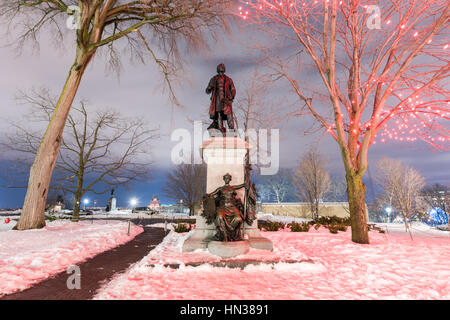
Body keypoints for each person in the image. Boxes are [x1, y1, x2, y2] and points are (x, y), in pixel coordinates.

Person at [207, 173, 245, 241]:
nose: (227, 179)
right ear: (224, 179)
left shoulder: (233, 187)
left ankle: (230, 230)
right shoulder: (220, 189)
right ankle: (225, 234)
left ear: (230, 179)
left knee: (239, 219)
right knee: (220, 216)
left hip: (232, 207)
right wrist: (207, 197)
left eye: (228, 178)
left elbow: (242, 185)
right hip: (223, 207)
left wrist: (247, 182)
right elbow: (211, 194)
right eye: (225, 178)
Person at [206, 63, 236, 133]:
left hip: (226, 100)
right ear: (217, 71)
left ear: (224, 71)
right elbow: (207, 91)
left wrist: (231, 97)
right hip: (217, 99)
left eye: (222, 71)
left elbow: (233, 89)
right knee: (219, 114)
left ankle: (232, 130)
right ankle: (221, 129)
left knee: (229, 115)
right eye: (219, 72)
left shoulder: (228, 79)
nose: (221, 73)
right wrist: (210, 87)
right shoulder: (213, 79)